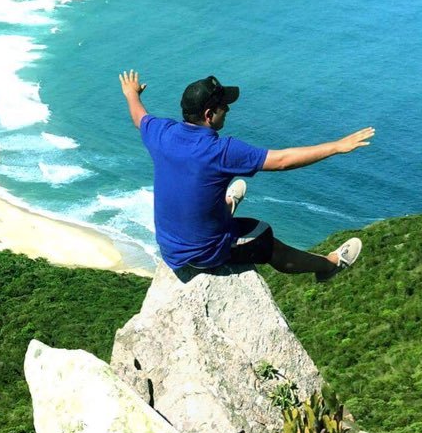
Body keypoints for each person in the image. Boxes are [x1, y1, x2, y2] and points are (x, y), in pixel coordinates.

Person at [119, 69, 375, 279]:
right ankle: (329, 265)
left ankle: (228, 204)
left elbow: (139, 115)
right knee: (265, 236)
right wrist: (337, 146)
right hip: (201, 255)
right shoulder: (220, 150)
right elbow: (283, 161)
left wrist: (131, 93)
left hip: (170, 246)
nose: (228, 110)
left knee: (205, 188)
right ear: (209, 115)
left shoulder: (162, 132)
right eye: (223, 107)